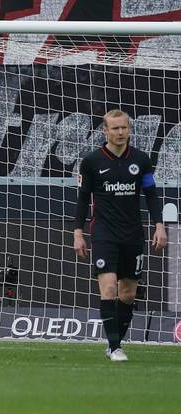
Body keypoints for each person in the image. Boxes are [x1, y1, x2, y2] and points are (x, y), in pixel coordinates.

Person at [73, 109, 167, 362]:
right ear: (105, 131)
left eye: (124, 127)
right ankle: (115, 347)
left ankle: (114, 343)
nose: (120, 132)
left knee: (127, 293)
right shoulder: (92, 161)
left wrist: (159, 225)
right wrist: (78, 233)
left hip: (133, 234)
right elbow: (83, 199)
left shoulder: (141, 159)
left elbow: (151, 195)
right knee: (109, 287)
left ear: (129, 129)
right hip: (103, 233)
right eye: (115, 128)